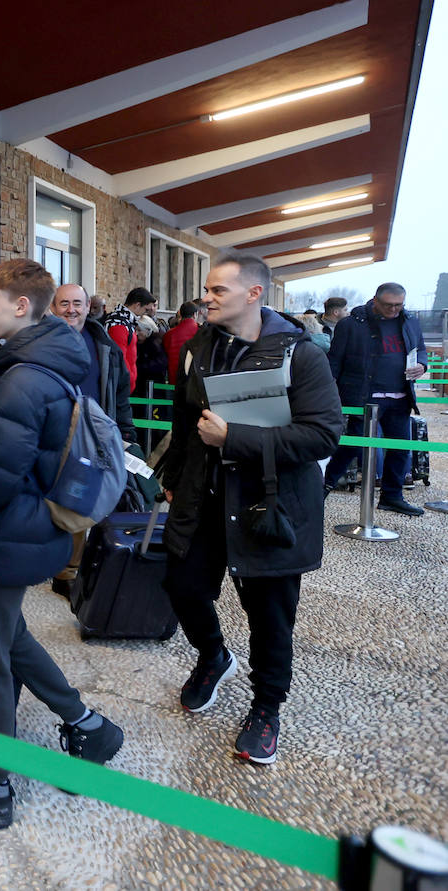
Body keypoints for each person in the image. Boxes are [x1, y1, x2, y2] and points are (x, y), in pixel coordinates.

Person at [0, 259, 124, 830]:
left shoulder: (22, 378)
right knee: (9, 632)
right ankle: (88, 727)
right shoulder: (47, 363)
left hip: (12, 527)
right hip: (31, 524)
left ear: (21, 307)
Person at [158, 254, 340, 765]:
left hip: (269, 505)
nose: (207, 297)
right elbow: (183, 417)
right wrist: (173, 480)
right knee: (182, 586)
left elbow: (324, 433)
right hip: (203, 497)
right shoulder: (197, 346)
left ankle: (266, 708)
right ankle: (213, 656)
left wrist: (234, 437)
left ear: (254, 294)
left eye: (218, 290)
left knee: (269, 615)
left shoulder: (300, 354)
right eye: (208, 290)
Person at [47, 283, 136, 596]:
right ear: (52, 307)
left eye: (77, 303)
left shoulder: (104, 344)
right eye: (64, 303)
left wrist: (125, 431)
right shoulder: (42, 342)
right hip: (55, 434)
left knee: (87, 497)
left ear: (88, 308)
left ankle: (79, 569)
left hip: (96, 435)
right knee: (67, 500)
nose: (71, 309)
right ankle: (65, 571)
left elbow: (120, 392)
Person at [322, 282, 428, 516]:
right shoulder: (351, 325)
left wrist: (422, 365)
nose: (393, 310)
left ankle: (392, 495)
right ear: (375, 300)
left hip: (400, 397)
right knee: (353, 445)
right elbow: (335, 361)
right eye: (388, 305)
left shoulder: (409, 321)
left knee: (401, 449)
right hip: (364, 397)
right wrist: (329, 395)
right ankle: (323, 486)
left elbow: (420, 348)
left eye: (398, 305)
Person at [103, 287, 157, 390]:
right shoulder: (119, 325)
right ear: (137, 305)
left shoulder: (123, 322)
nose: (145, 313)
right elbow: (119, 360)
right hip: (121, 386)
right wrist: (129, 381)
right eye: (145, 309)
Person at [163, 301, 201, 383]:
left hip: (174, 379)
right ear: (195, 314)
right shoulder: (200, 332)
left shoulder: (169, 334)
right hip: (195, 380)